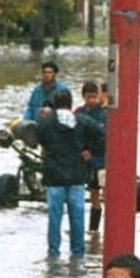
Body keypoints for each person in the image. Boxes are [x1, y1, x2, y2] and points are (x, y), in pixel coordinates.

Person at [35, 88, 103, 257]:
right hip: (77, 176)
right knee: (78, 218)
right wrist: (91, 151)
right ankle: (78, 253)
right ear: (71, 103)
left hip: (54, 177)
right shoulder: (82, 121)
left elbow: (37, 138)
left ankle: (53, 252)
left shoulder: (46, 122)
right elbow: (102, 133)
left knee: (54, 219)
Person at [74, 81, 108, 232]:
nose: (92, 100)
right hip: (82, 157)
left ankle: (100, 228)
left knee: (101, 192)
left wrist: (92, 154)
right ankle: (88, 229)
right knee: (87, 193)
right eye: (88, 97)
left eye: (94, 97)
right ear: (83, 96)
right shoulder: (78, 112)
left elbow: (105, 137)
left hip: (99, 158)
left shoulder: (103, 113)